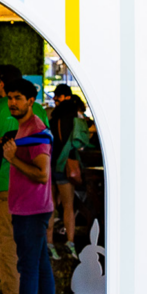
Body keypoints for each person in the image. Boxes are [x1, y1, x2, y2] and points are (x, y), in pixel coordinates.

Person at [0, 66, 49, 294]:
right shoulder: (37, 110)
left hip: (6, 187)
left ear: (4, 84)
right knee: (33, 245)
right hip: (37, 191)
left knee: (7, 241)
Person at [2, 78, 55, 294]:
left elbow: (42, 174)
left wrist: (13, 159)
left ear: (30, 101)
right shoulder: (23, 128)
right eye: (10, 98)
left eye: (17, 98)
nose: (12, 103)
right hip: (29, 208)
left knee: (29, 267)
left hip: (32, 211)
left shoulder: (35, 130)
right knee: (41, 266)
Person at [47, 94, 89, 261]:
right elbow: (81, 144)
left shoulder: (52, 120)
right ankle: (69, 242)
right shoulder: (75, 121)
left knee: (50, 207)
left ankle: (49, 244)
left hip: (50, 166)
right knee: (68, 206)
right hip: (66, 167)